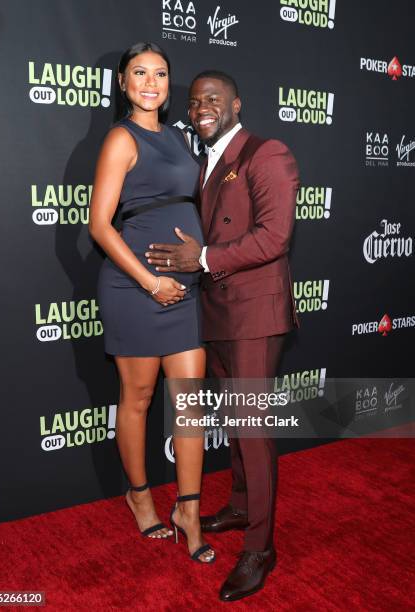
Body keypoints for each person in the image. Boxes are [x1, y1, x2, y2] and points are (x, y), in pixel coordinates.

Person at [146, 70, 299, 599]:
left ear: (237, 103)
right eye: (193, 103)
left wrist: (204, 258)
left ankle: (261, 547)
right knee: (237, 422)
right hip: (217, 313)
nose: (200, 108)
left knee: (253, 429)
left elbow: (275, 237)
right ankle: (240, 503)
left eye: (211, 99)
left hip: (254, 315)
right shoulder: (206, 161)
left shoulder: (267, 152)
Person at [89, 43, 214, 563]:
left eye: (160, 74)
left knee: (189, 405)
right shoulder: (121, 138)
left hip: (182, 291)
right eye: (139, 73)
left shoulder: (182, 139)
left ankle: (188, 508)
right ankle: (140, 498)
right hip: (134, 288)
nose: (150, 82)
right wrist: (148, 281)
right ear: (123, 82)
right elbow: (99, 225)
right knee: (137, 398)